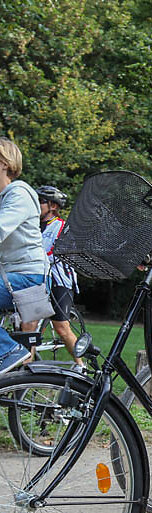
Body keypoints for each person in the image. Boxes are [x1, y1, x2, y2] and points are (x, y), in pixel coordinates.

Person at [0, 138, 50, 373]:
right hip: (12, 275)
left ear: (3, 163)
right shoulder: (4, 197)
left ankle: (8, 351)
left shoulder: (19, 193)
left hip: (27, 277)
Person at [36, 185, 83, 367]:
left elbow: (51, 252)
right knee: (28, 327)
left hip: (59, 280)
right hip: (37, 280)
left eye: (41, 201)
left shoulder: (61, 227)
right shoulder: (33, 226)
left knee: (62, 328)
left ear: (53, 206)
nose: (36, 205)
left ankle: (81, 365)